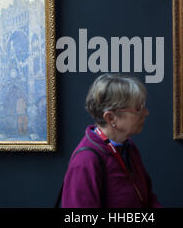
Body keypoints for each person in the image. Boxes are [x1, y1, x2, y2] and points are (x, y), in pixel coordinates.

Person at [61, 74, 161, 208]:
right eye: (138, 109)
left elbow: (147, 199)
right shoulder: (85, 161)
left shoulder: (128, 147)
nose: (146, 113)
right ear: (110, 118)